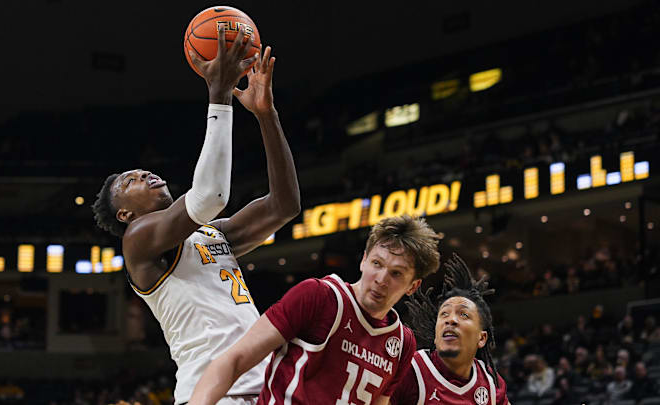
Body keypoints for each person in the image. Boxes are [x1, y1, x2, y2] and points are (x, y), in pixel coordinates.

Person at [91, 26, 301, 405]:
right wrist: (219, 94)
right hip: (212, 392)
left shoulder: (211, 234)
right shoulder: (138, 242)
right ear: (124, 213)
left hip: (266, 387)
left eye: (143, 171)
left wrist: (266, 115)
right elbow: (210, 196)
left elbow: (284, 205)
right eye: (130, 181)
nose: (144, 175)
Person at [189, 215, 442, 405]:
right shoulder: (320, 297)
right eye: (377, 263)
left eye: (396, 273)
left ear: (413, 286)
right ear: (364, 260)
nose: (381, 279)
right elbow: (233, 360)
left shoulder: (402, 343)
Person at [392, 254, 509, 405]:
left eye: (464, 314)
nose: (451, 320)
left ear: (481, 338)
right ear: (435, 336)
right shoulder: (410, 370)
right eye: (444, 314)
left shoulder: (491, 384)